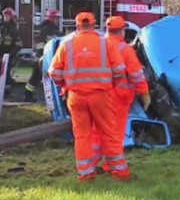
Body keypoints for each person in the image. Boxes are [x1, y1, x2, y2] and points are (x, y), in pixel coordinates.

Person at [48, 12, 128, 181]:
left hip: (76, 97)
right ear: (93, 25)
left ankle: (85, 174)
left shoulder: (66, 44)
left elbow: (53, 72)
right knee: (109, 133)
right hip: (101, 95)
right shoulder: (104, 43)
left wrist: (65, 85)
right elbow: (120, 69)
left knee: (82, 135)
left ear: (77, 27)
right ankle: (119, 172)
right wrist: (110, 82)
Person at [91, 16, 152, 172]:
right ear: (122, 31)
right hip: (118, 98)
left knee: (97, 133)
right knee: (115, 135)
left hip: (97, 97)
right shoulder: (125, 49)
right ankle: (112, 166)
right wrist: (144, 93)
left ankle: (88, 166)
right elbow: (136, 74)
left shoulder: (97, 47)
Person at [23, 9, 61, 102]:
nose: (58, 20)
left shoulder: (53, 30)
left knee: (37, 77)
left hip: (50, 58)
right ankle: (28, 96)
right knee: (37, 77)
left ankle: (28, 96)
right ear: (52, 18)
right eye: (56, 18)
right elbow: (39, 43)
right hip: (43, 58)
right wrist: (41, 56)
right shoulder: (45, 29)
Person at [0, 7, 22, 94]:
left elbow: (18, 45)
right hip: (1, 55)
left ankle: (7, 91)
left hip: (8, 56)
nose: (5, 18)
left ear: (11, 17)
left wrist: (9, 56)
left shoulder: (13, 30)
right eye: (4, 16)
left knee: (5, 74)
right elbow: (1, 42)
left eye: (7, 16)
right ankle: (0, 90)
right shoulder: (3, 28)